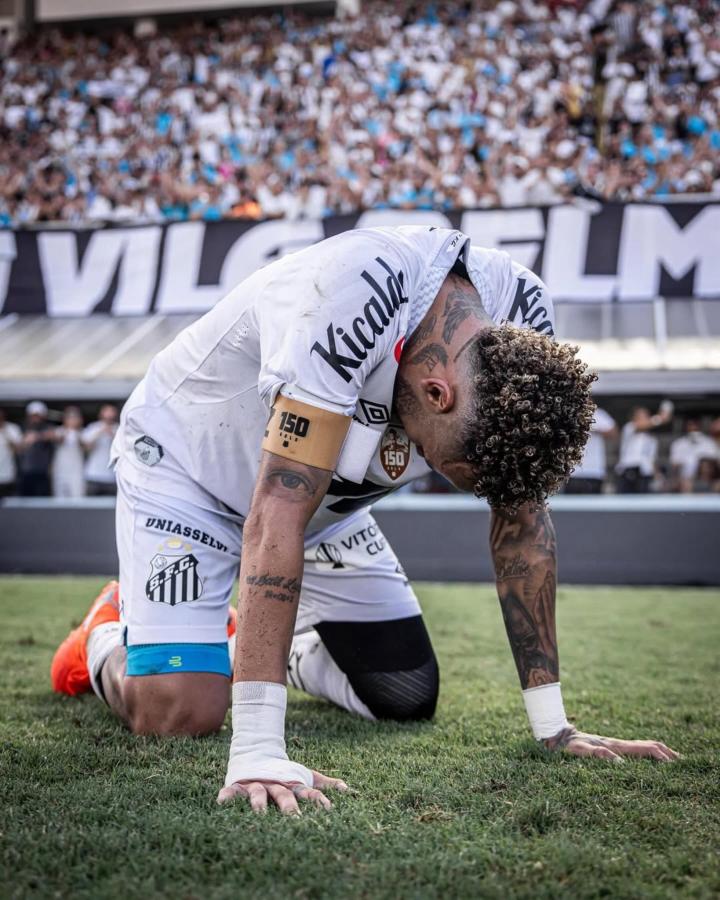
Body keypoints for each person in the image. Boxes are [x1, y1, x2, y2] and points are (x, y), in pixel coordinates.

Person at [51, 226, 678, 816]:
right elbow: (276, 511)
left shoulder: (521, 321)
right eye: (458, 470)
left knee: (403, 694)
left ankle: (241, 645)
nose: (465, 486)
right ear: (437, 393)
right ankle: (101, 636)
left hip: (324, 503)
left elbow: (523, 521)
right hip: (193, 477)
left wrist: (554, 725)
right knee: (181, 714)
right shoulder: (349, 293)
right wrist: (259, 749)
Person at [615, 403, 673, 493]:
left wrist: (658, 477)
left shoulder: (652, 439)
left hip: (645, 474)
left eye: (646, 415)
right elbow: (642, 425)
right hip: (629, 471)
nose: (645, 418)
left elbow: (651, 460)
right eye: (641, 416)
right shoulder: (629, 427)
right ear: (634, 417)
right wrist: (660, 418)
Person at [565, 407, 617, 494]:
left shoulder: (598, 414)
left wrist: (592, 428)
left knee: (592, 502)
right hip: (573, 472)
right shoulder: (570, 413)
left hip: (593, 472)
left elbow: (614, 432)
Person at [669, 419, 719, 494]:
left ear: (699, 426)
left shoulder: (709, 443)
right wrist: (676, 479)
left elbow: (715, 463)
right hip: (685, 479)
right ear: (685, 427)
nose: (692, 428)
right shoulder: (678, 444)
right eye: (690, 425)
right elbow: (674, 465)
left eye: (695, 425)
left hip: (708, 479)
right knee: (685, 484)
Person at [17, 401, 55, 497]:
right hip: (26, 471)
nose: (35, 418)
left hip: (43, 471)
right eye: (33, 415)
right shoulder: (22, 427)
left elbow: (52, 435)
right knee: (25, 498)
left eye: (38, 415)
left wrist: (37, 436)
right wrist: (25, 441)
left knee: (42, 499)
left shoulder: (48, 426)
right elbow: (18, 448)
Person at [82, 405, 119, 496]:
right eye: (106, 413)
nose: (109, 416)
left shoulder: (119, 428)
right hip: (93, 474)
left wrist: (112, 435)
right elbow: (85, 447)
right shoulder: (93, 427)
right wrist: (100, 432)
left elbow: (124, 448)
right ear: (101, 414)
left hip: (112, 476)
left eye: (111, 413)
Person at [52, 406, 86, 498]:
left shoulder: (83, 433)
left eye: (75, 417)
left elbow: (86, 447)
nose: (72, 420)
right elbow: (57, 439)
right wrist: (67, 431)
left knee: (77, 497)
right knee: (60, 499)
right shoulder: (59, 431)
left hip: (77, 472)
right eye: (70, 417)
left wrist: (76, 432)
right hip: (60, 471)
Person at [0, 408, 22, 498]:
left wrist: (4, 432)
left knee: (9, 502)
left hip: (8, 475)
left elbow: (18, 450)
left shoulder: (12, 428)